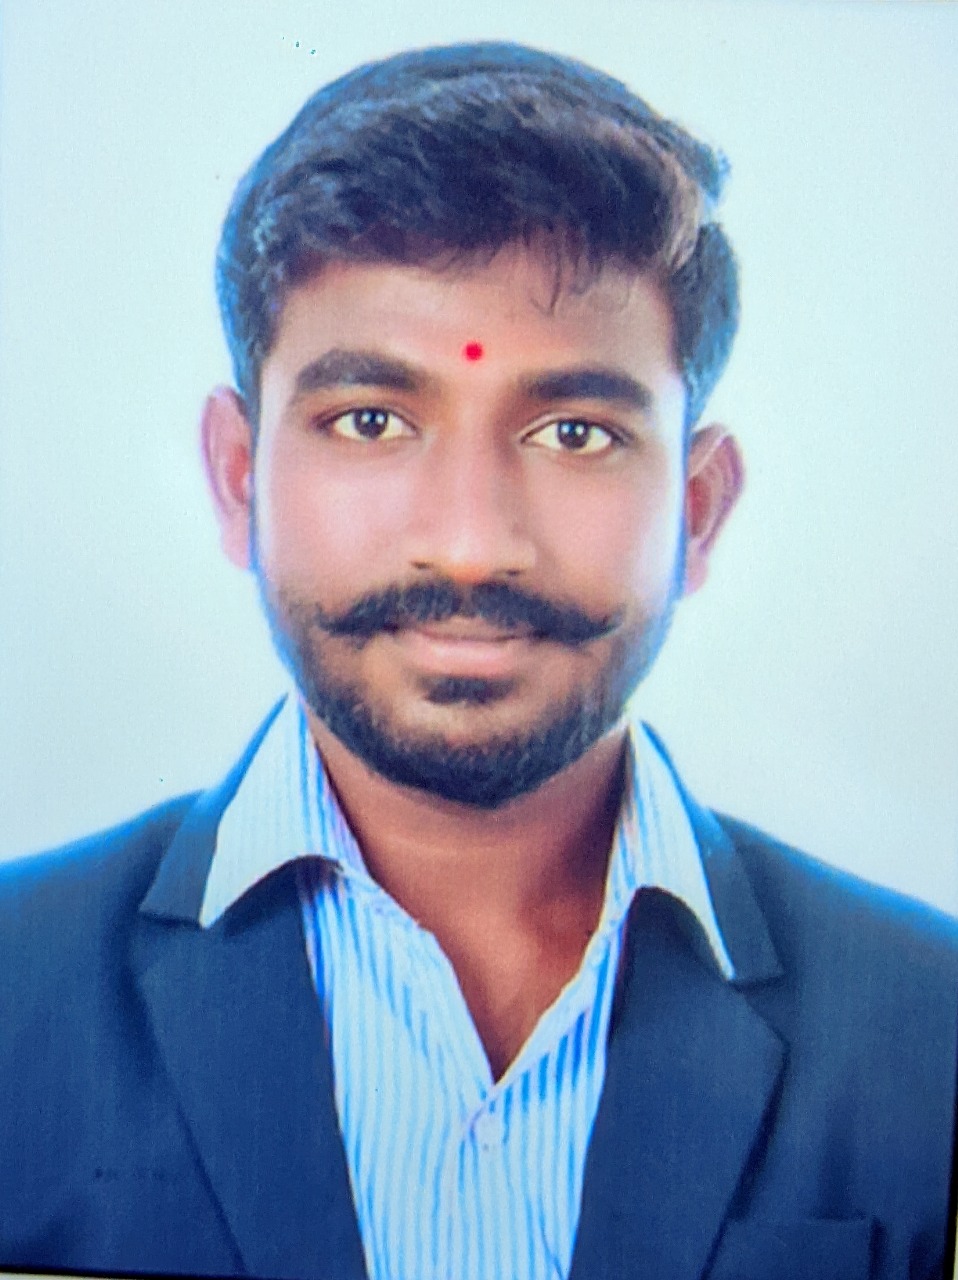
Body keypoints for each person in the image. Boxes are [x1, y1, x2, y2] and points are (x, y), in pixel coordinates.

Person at [0, 40, 954, 1280]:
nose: (468, 541)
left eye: (574, 432)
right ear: (238, 481)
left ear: (699, 509)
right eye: (370, 420)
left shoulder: (931, 1027)